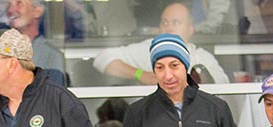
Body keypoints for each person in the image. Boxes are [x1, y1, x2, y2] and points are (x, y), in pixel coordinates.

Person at [92, 3, 229, 86]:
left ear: (190, 30)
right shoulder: (147, 50)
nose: (169, 27)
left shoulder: (202, 57)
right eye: (164, 22)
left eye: (176, 23)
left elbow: (223, 85)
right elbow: (102, 59)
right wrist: (140, 74)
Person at [6, 0, 66, 86]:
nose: (10, 10)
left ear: (37, 11)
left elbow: (52, 96)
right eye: (8, 5)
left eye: (19, 3)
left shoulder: (51, 55)